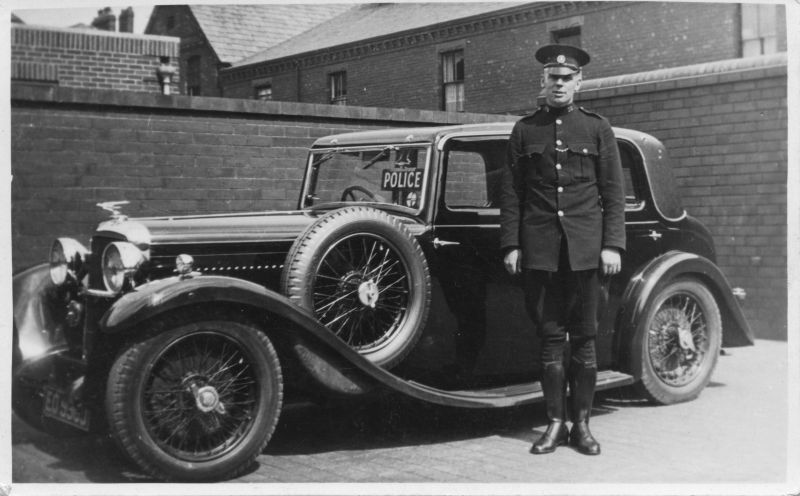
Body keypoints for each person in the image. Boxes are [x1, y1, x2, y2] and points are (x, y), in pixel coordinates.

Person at [498, 44, 626, 455]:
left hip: (587, 251)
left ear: (579, 82)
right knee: (550, 338)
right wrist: (512, 244)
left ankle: (583, 426)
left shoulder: (597, 128)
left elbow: (612, 193)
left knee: (585, 338)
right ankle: (555, 423)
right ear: (543, 81)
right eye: (553, 77)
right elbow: (512, 194)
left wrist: (612, 245)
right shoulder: (524, 130)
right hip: (541, 250)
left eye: (567, 78)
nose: (559, 84)